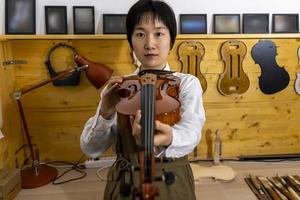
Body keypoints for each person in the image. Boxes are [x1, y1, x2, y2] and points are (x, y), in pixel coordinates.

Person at [80, 0, 206, 199]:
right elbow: (91, 148)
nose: (149, 44)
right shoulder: (120, 87)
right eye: (140, 34)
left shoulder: (187, 83)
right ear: (131, 41)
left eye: (159, 33)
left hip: (172, 182)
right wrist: (105, 111)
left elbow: (192, 131)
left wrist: (169, 137)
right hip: (124, 184)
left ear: (171, 41)